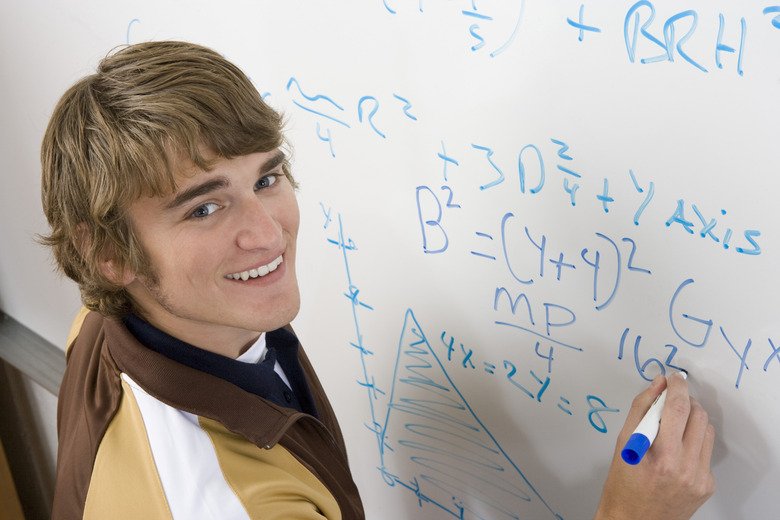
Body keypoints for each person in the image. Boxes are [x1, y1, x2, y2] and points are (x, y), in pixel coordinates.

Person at [40, 40, 714, 520]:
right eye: (206, 207)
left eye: (267, 179)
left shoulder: (105, 326)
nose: (269, 233)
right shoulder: (230, 503)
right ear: (108, 253)